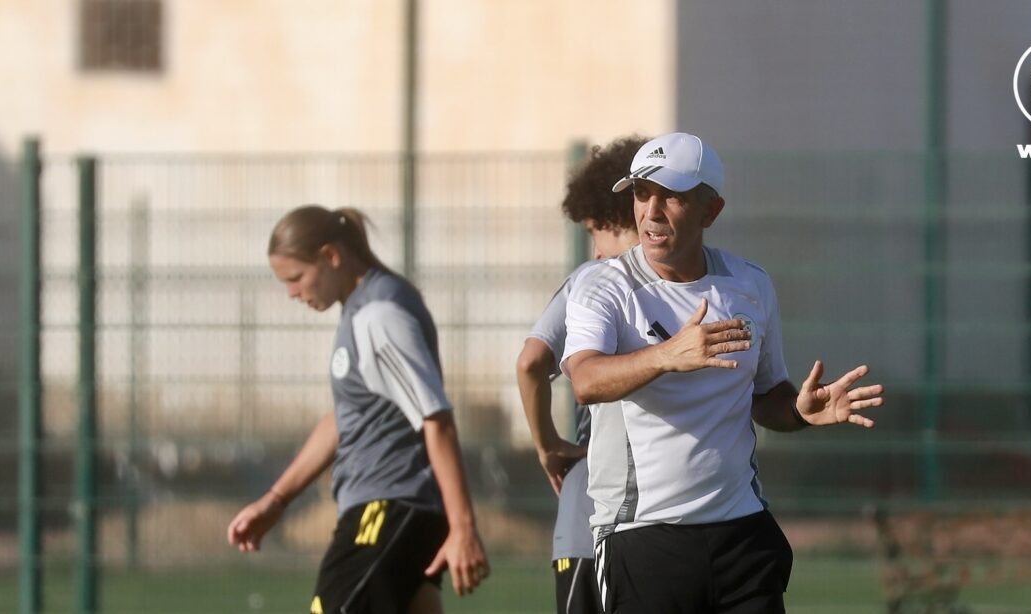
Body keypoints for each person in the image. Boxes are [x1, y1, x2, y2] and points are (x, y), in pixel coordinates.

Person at [562, 132, 884, 613]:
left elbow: (767, 395)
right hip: (643, 535)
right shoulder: (603, 285)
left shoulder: (748, 283)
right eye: (641, 193)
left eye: (671, 196)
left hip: (742, 533)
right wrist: (666, 355)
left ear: (710, 211)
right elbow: (585, 382)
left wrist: (799, 410)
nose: (651, 211)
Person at [226, 206, 489, 614]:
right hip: (391, 508)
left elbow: (436, 419)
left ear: (331, 256)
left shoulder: (380, 314)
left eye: (296, 278)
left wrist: (463, 527)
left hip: (390, 507)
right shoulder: (360, 310)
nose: (292, 293)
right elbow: (345, 419)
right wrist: (276, 500)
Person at [516, 136, 645, 614]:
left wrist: (547, 443)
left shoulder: (589, 283)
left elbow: (530, 362)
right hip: (685, 524)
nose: (593, 248)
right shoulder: (704, 279)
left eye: (595, 230)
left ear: (617, 219)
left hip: (593, 512)